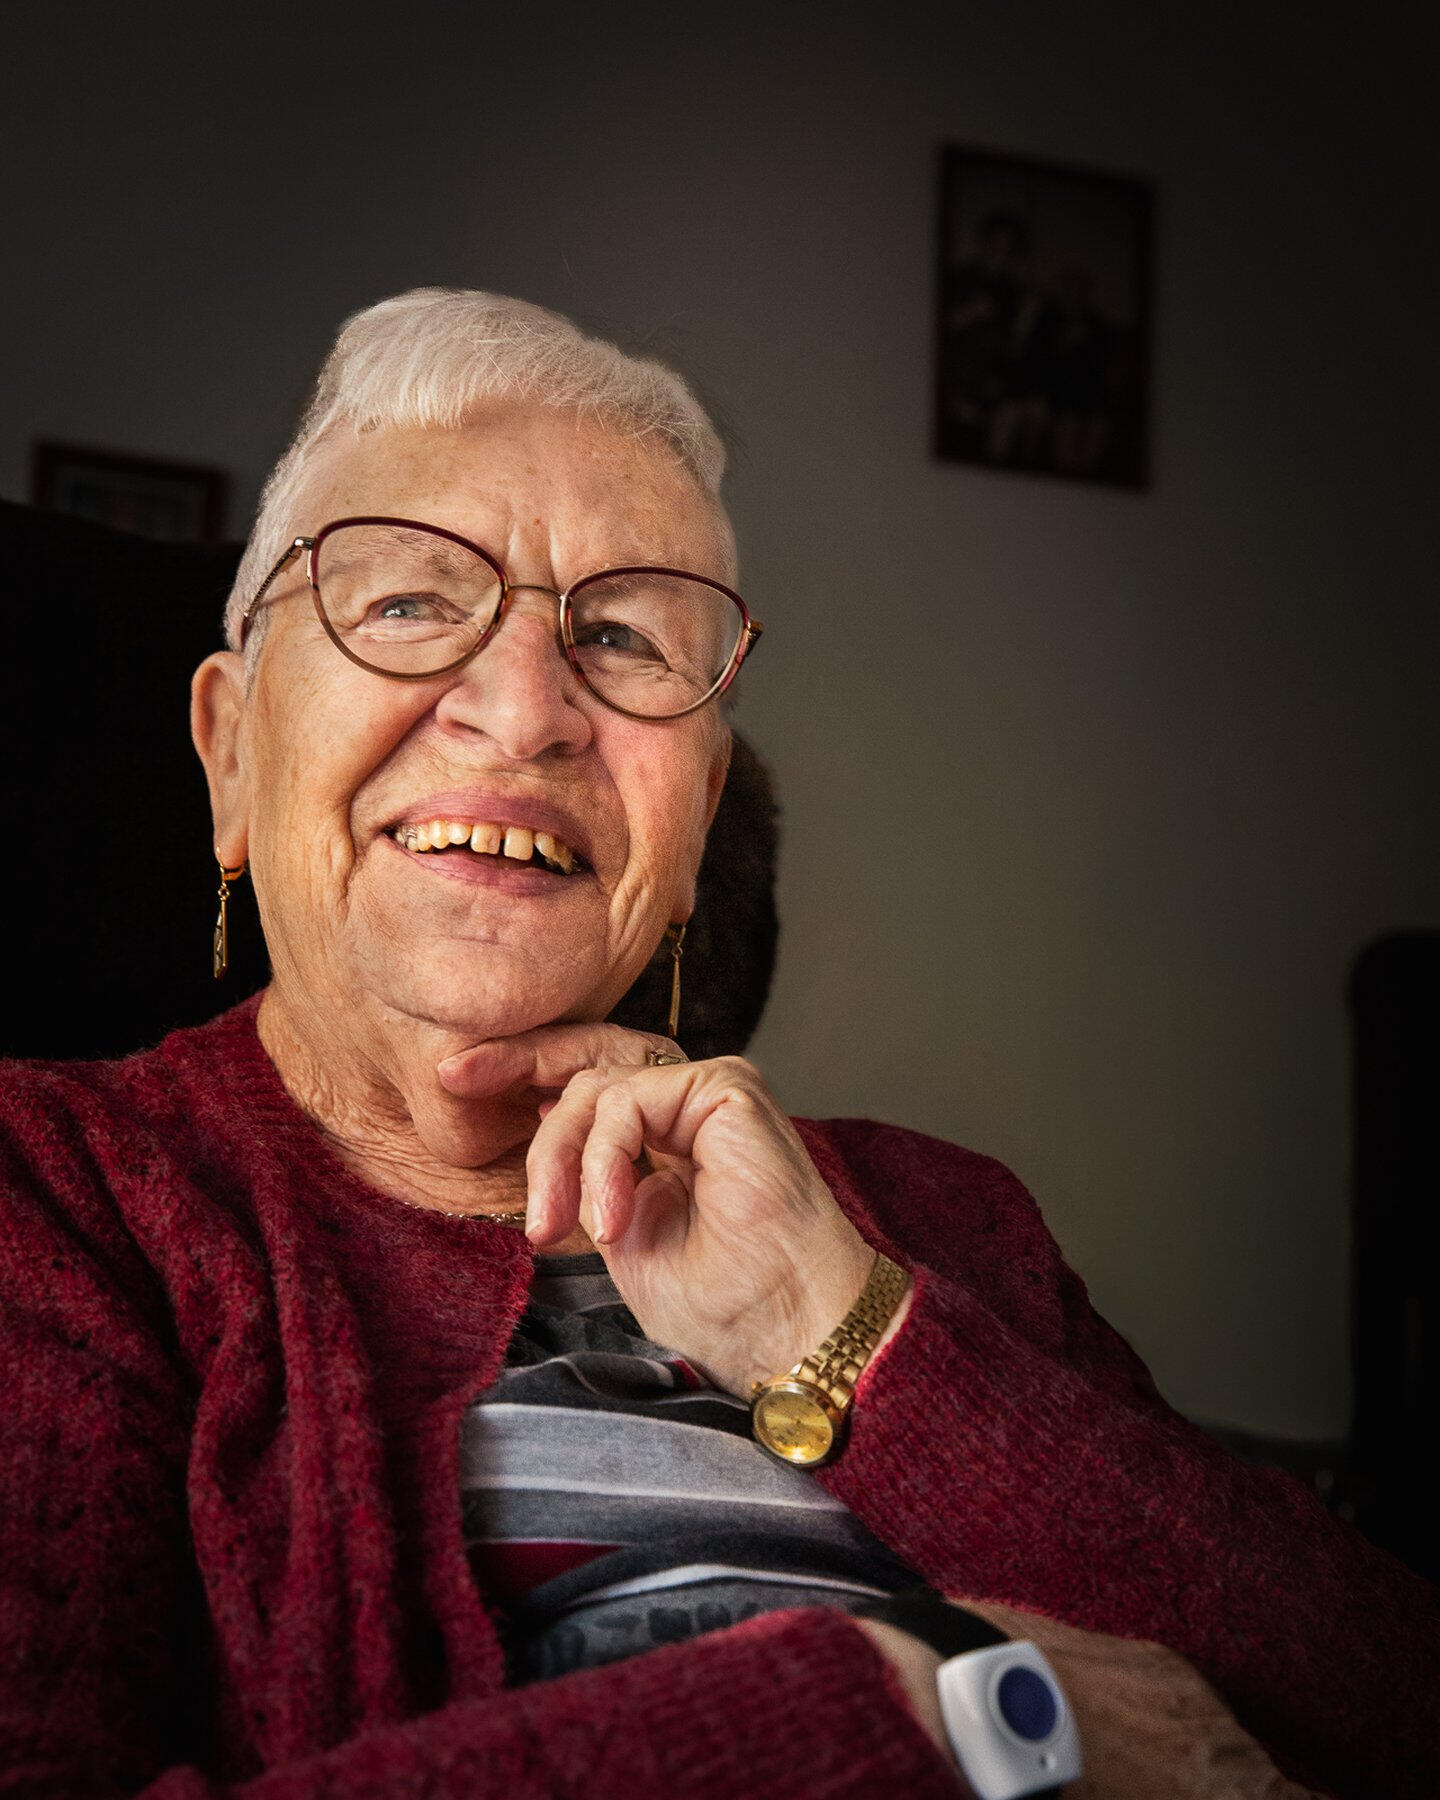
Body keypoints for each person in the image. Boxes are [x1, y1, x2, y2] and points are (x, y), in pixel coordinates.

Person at [1, 288, 1436, 1800]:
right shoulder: (56, 1196)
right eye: (411, 601)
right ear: (231, 751)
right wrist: (938, 1711)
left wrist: (849, 1326)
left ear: (690, 831)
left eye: (624, 635)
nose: (525, 711)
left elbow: (1401, 1710)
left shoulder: (945, 1219)